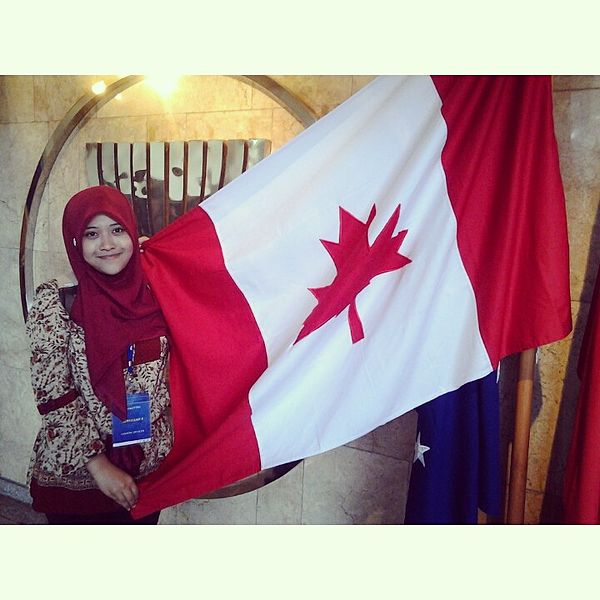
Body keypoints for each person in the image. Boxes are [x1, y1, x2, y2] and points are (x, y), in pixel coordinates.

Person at [25, 185, 173, 525]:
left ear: (134, 234)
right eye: (92, 234)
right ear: (76, 241)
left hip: (146, 471)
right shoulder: (57, 303)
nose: (107, 244)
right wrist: (99, 465)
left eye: (117, 230)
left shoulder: (156, 293)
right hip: (79, 479)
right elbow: (54, 395)